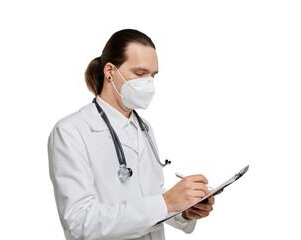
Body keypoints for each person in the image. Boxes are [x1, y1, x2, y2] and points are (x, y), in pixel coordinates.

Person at [47, 29, 216, 240]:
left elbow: (149, 197)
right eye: (139, 73)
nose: (148, 83)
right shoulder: (71, 131)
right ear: (110, 71)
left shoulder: (144, 128)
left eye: (152, 76)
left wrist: (184, 210)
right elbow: (80, 222)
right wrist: (167, 202)